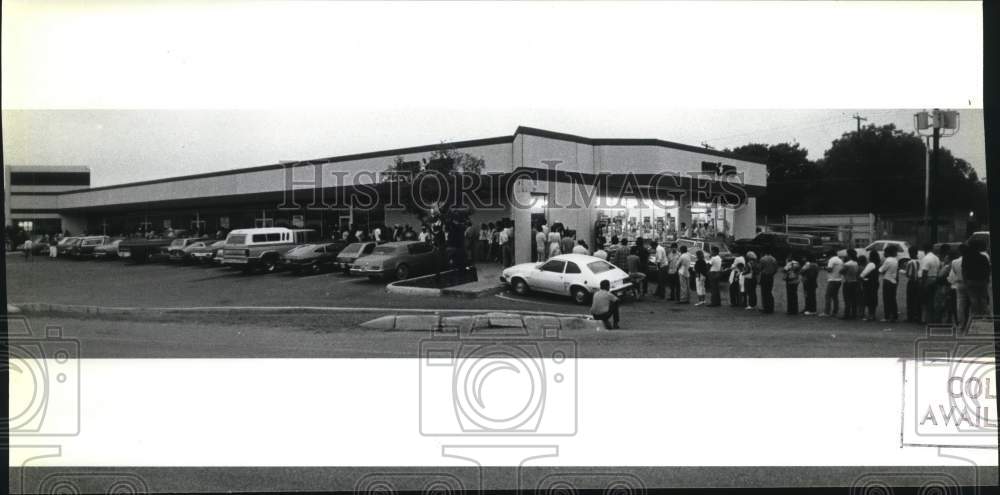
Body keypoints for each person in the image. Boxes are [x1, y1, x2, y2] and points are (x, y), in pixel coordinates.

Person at [961, 238, 991, 328]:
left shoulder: (966, 257)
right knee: (983, 298)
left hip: (970, 281)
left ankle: (975, 314)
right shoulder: (983, 257)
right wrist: (987, 280)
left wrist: (965, 280)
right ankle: (984, 314)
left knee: (973, 298)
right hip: (982, 281)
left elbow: (964, 270)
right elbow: (988, 270)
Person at [919, 243, 941, 323]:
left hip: (928, 279)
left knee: (925, 300)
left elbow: (925, 271)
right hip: (935, 278)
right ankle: (932, 318)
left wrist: (923, 283)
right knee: (932, 300)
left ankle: (924, 319)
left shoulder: (926, 258)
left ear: (925, 250)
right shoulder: (936, 258)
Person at [879, 245, 901, 323]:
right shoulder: (895, 260)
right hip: (894, 281)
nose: (884, 253)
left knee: (886, 299)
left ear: (888, 252)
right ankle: (894, 315)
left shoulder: (888, 260)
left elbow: (881, 270)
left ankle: (887, 316)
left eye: (885, 252)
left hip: (887, 280)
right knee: (892, 299)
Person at [945, 244, 964, 326]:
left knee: (955, 306)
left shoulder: (954, 263)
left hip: (955, 287)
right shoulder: (965, 261)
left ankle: (957, 321)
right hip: (964, 284)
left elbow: (951, 278)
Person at [860, 251, 881, 321]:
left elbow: (863, 274)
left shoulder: (871, 264)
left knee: (868, 299)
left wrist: (862, 278)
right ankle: (873, 315)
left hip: (869, 283)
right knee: (873, 299)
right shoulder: (878, 264)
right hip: (875, 283)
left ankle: (870, 315)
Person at [840, 249, 860, 320]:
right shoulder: (856, 263)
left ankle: (847, 314)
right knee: (854, 299)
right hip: (855, 282)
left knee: (847, 299)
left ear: (849, 255)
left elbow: (841, 271)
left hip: (848, 282)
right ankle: (854, 314)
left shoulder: (847, 264)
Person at [904, 246, 922, 323]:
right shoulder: (920, 261)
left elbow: (908, 274)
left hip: (912, 282)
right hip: (919, 282)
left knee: (910, 300)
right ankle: (917, 316)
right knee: (917, 300)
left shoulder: (910, 262)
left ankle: (910, 317)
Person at [823, 250, 843, 317]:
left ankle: (827, 312)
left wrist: (824, 267)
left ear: (830, 255)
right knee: (835, 296)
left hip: (832, 280)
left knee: (828, 296)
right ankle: (835, 311)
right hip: (839, 279)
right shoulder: (840, 260)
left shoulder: (831, 260)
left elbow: (830, 269)